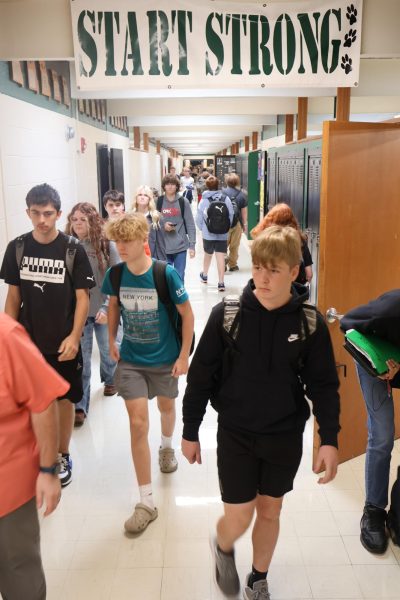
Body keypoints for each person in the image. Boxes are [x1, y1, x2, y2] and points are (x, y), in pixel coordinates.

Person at [181, 226, 340, 599]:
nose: (263, 278)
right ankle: (222, 546)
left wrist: (329, 438)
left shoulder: (310, 323)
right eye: (258, 268)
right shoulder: (228, 316)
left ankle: (258, 578)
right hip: (235, 433)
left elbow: (324, 386)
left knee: (270, 511)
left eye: (273, 269)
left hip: (284, 436)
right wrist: (190, 431)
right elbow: (201, 377)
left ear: (294, 272)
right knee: (239, 515)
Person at [101, 212, 194, 534]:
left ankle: (167, 446)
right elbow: (113, 305)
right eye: (117, 242)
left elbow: (188, 314)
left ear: (143, 241)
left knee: (166, 408)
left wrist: (183, 356)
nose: (121, 247)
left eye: (126, 241)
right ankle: (146, 502)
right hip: (131, 361)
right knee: (138, 423)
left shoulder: (164, 274)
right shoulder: (114, 275)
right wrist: (113, 339)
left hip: (165, 359)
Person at [0, 183, 95, 487]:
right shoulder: (17, 247)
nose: (42, 220)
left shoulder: (72, 249)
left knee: (64, 400)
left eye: (48, 213)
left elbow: (82, 298)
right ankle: (43, 456)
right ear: (27, 212)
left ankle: (63, 454)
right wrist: (8, 339)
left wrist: (74, 336)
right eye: (36, 213)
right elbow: (13, 298)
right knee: (35, 402)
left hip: (64, 341)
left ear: (58, 213)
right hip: (28, 343)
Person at [0, 313, 69, 600]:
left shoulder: (6, 336)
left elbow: (41, 401)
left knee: (19, 576)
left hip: (7, 492)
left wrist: (47, 470)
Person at [340, 291, 400, 554]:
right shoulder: (391, 307)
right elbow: (348, 324)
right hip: (376, 359)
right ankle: (374, 510)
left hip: (397, 363)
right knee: (384, 433)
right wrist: (378, 365)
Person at [65, 202, 121, 426]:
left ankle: (110, 379)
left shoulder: (106, 245)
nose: (77, 224)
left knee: (108, 351)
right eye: (74, 219)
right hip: (79, 314)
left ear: (93, 222)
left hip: (103, 310)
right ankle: (80, 405)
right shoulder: (66, 246)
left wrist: (107, 307)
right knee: (83, 361)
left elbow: (116, 278)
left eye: (83, 220)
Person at [251, 203, 313, 285]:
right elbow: (309, 272)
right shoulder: (298, 238)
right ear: (291, 219)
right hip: (295, 281)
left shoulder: (265, 238)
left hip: (272, 282)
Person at [196, 175, 234, 292]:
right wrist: (225, 228)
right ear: (218, 185)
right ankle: (221, 283)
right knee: (220, 257)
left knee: (208, 255)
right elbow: (231, 215)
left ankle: (205, 275)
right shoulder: (225, 199)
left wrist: (204, 229)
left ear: (206, 186)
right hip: (222, 234)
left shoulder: (204, 200)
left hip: (208, 234)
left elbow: (199, 218)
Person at [157, 174, 196, 284]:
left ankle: (179, 300)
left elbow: (190, 224)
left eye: (173, 184)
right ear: (164, 186)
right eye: (167, 184)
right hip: (163, 247)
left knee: (179, 277)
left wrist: (192, 245)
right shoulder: (158, 202)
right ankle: (167, 300)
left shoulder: (183, 202)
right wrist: (163, 225)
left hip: (180, 246)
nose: (170, 186)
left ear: (177, 186)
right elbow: (152, 223)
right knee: (164, 278)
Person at [131, 185, 167, 261]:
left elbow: (161, 244)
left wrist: (162, 265)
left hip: (151, 259)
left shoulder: (157, 217)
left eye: (146, 195)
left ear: (149, 199)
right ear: (136, 198)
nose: (142, 197)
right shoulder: (129, 217)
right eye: (140, 195)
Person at [222, 173, 248, 272]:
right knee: (235, 245)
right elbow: (244, 212)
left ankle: (223, 260)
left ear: (226, 182)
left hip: (224, 223)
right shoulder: (242, 194)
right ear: (237, 182)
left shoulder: (222, 193)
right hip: (237, 223)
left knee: (223, 244)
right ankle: (233, 265)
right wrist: (244, 224)